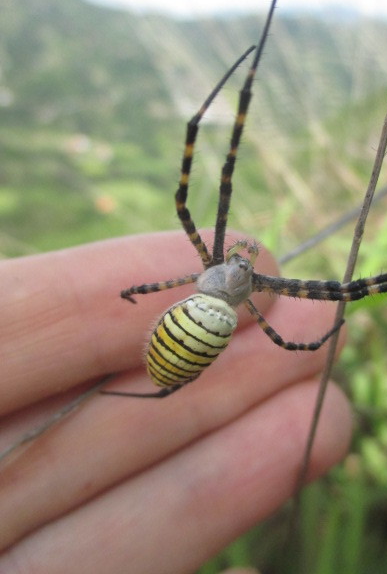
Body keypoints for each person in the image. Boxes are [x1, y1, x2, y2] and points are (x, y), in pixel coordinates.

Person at [0, 230, 352, 573]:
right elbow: (293, 341)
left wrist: (134, 291)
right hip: (184, 348)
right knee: (345, 292)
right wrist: (319, 339)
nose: (241, 267)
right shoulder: (256, 297)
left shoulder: (208, 259)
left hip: (182, 339)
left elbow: (182, 203)